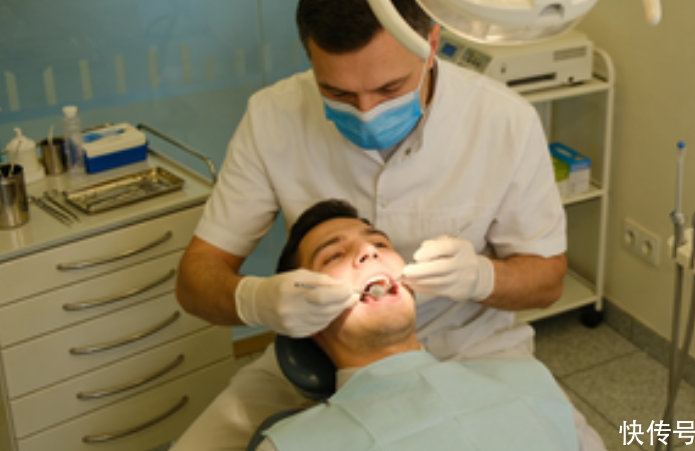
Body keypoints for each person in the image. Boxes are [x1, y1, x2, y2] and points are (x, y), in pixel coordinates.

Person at [173, 0, 596, 449]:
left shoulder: (503, 121)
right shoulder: (272, 117)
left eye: (390, 88)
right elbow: (196, 278)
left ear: (431, 43)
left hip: (474, 351)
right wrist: (256, 300)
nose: (366, 111)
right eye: (338, 93)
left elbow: (548, 281)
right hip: (319, 359)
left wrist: (482, 277)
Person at [253, 199, 586, 451]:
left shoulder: (529, 380)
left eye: (380, 244)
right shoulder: (290, 446)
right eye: (334, 256)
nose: (368, 250)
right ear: (305, 315)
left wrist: (483, 275)